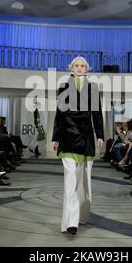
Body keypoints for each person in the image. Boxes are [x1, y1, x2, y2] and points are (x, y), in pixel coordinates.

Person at [52, 56, 104, 236]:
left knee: (84, 183)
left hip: (87, 138)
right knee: (70, 180)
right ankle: (70, 222)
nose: (80, 68)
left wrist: (100, 135)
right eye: (77, 65)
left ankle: (82, 215)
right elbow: (59, 115)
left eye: (83, 66)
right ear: (71, 68)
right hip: (67, 137)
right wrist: (55, 137)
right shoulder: (63, 87)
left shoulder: (93, 87)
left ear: (86, 69)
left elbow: (96, 113)